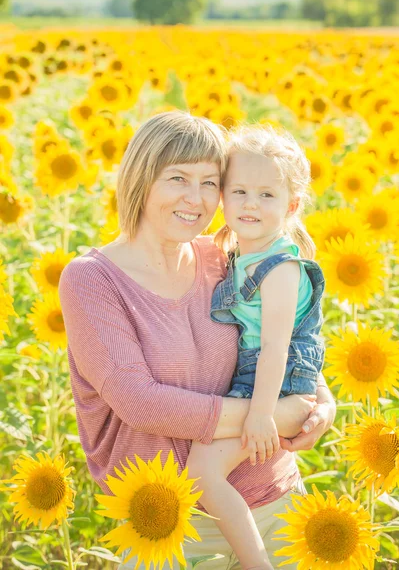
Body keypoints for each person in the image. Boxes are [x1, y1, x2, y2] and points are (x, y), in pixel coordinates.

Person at [58, 111, 336, 570]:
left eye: (210, 182)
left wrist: (320, 400)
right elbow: (140, 403)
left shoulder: (224, 257)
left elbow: (279, 336)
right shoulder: (92, 281)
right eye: (179, 178)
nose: (197, 198)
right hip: (168, 528)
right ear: (141, 178)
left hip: (277, 505)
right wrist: (279, 414)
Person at [186, 125, 325, 570]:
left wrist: (263, 413)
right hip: (261, 381)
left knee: (202, 473)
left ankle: (256, 563)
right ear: (223, 196)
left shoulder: (280, 267)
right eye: (240, 190)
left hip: (273, 384)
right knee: (203, 472)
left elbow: (276, 349)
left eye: (267, 195)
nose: (250, 203)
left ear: (293, 205)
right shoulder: (240, 253)